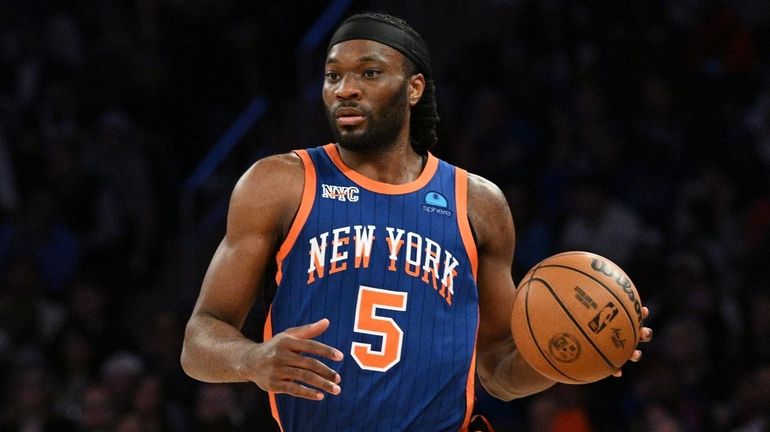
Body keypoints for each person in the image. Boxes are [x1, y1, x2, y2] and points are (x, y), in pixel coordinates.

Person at [180, 12, 653, 432]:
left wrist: (571, 350)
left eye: (369, 73)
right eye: (332, 75)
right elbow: (200, 339)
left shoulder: (478, 204)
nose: (345, 88)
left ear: (414, 88)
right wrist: (252, 359)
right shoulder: (279, 183)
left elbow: (498, 372)